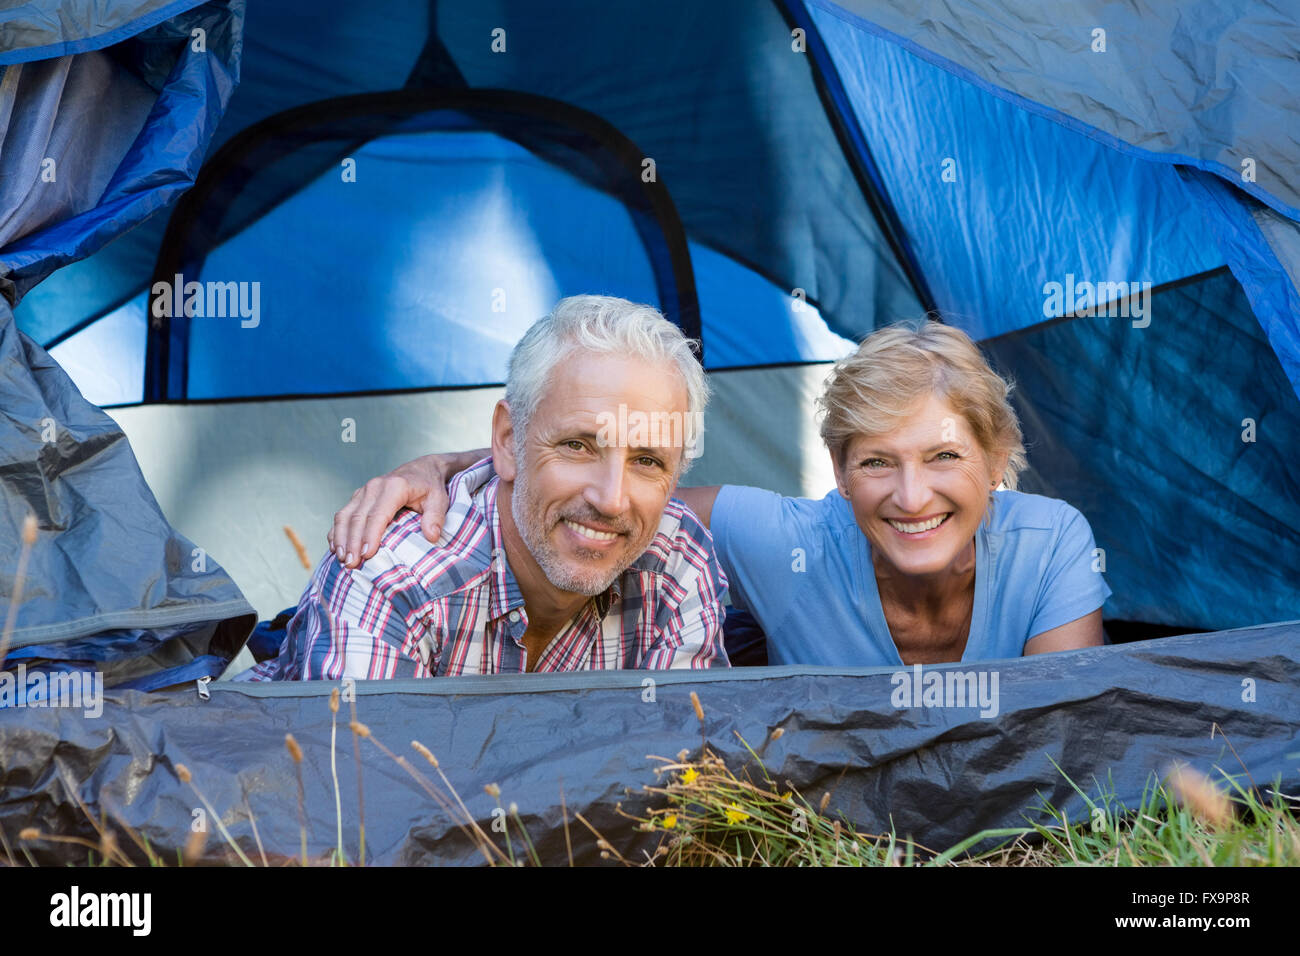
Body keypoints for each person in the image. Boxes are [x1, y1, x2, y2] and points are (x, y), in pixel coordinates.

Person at [329, 319, 1109, 668]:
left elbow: (1072, 755)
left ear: (998, 459)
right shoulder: (784, 542)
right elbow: (619, 499)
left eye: (943, 456)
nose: (911, 496)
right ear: (836, 475)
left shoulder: (1050, 545)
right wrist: (458, 467)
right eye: (876, 462)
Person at [249, 295, 729, 680]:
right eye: (578, 446)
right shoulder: (390, 580)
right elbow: (364, 789)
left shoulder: (677, 562)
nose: (610, 499)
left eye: (647, 460)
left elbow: (682, 786)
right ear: (507, 441)